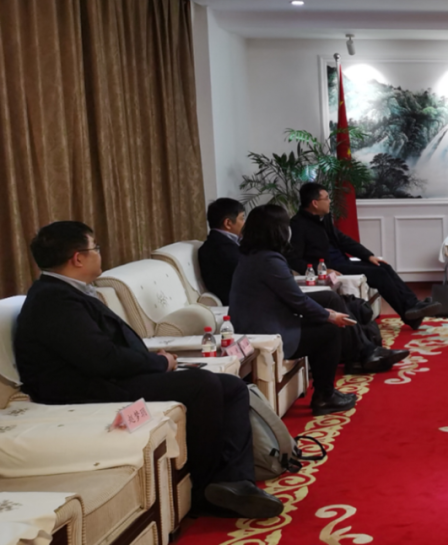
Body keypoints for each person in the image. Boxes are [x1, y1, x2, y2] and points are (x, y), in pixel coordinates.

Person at [14, 222, 283, 519]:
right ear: (78, 258)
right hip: (86, 389)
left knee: (232, 387)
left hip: (107, 376)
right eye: (96, 248)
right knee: (202, 384)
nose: (100, 254)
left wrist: (151, 358)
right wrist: (159, 363)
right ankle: (206, 487)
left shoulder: (67, 292)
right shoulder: (54, 300)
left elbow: (102, 349)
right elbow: (101, 359)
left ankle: (236, 481)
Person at [230, 205, 395, 414]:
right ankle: (325, 396)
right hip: (268, 327)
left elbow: (289, 296)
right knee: (330, 331)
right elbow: (297, 301)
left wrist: (327, 313)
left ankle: (360, 353)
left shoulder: (254, 255)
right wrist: (329, 316)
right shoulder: (269, 261)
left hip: (266, 316)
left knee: (329, 297)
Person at [287, 183, 440, 330]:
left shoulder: (323, 218)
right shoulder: (298, 225)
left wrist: (368, 256)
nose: (330, 201)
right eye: (326, 198)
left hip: (342, 262)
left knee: (382, 266)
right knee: (378, 274)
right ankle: (410, 311)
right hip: (331, 268)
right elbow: (293, 259)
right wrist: (321, 270)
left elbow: (343, 240)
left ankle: (412, 306)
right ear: (315, 203)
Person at [198, 197, 245, 306]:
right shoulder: (220, 249)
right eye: (242, 218)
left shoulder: (223, 243)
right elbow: (251, 273)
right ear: (228, 223)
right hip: (239, 303)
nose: (244, 223)